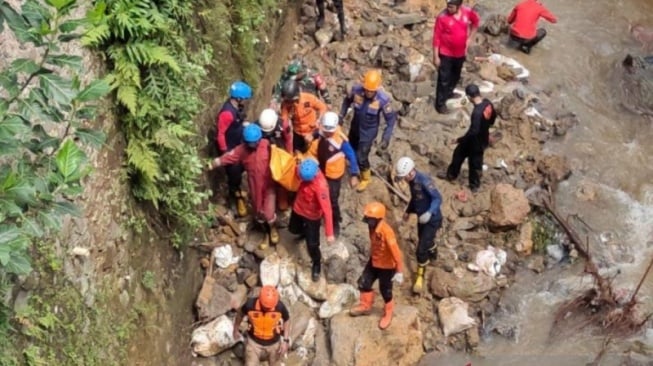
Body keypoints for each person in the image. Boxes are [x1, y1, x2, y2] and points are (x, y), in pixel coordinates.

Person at [210, 124, 279, 249]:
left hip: (269, 184)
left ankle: (273, 228)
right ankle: (265, 234)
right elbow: (229, 156)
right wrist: (215, 163)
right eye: (249, 143)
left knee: (269, 212)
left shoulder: (267, 145)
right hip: (254, 184)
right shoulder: (242, 149)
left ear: (259, 140)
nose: (251, 145)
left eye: (253, 142)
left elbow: (279, 158)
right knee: (258, 211)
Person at [339, 69, 396, 192]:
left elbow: (391, 121)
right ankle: (353, 170)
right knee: (350, 148)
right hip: (355, 127)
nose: (369, 93)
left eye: (372, 91)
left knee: (362, 157)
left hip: (368, 133)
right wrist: (341, 116)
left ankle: (365, 178)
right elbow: (346, 102)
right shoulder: (357, 90)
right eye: (367, 90)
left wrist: (385, 138)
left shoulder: (383, 100)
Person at [349, 202, 404, 330]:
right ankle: (365, 305)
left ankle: (389, 312)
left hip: (387, 265)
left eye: (370, 219)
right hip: (374, 261)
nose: (367, 221)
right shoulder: (372, 228)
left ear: (378, 219)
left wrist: (399, 270)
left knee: (385, 290)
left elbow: (396, 252)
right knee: (364, 282)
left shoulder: (386, 232)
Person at [307, 111, 360, 237]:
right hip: (321, 169)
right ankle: (320, 214)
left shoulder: (340, 140)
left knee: (332, 199)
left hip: (334, 175)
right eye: (325, 130)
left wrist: (354, 174)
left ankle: (335, 222)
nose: (327, 133)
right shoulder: (323, 130)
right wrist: (311, 136)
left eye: (329, 131)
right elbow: (317, 133)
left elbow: (352, 156)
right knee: (317, 193)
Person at [394, 157, 443, 294]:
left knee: (420, 250)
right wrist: (409, 211)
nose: (403, 179)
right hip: (422, 218)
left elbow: (437, 198)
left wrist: (429, 212)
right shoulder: (411, 182)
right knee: (425, 239)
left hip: (432, 219)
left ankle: (420, 276)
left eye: (404, 177)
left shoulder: (424, 181)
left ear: (410, 172)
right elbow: (416, 198)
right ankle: (433, 252)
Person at [438, 84, 496, 192]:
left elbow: (473, 132)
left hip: (474, 141)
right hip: (483, 139)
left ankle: (466, 181)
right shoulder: (488, 104)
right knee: (466, 158)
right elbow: (493, 117)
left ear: (469, 97)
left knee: (470, 161)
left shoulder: (477, 113)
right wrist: (487, 128)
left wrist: (459, 140)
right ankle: (469, 183)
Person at [289, 158, 335, 282]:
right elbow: (295, 170)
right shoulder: (302, 169)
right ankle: (303, 233)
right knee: (293, 229)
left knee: (312, 245)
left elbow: (327, 210)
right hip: (299, 208)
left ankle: (316, 264)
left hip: (312, 216)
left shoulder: (321, 187)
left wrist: (329, 233)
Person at [432, 0, 480, 114]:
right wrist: (435, 56)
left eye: (451, 7)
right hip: (445, 53)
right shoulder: (442, 17)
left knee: (456, 75)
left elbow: (476, 22)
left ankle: (449, 92)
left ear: (459, 6)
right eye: (448, 6)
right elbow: (436, 37)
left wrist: (470, 39)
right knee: (443, 79)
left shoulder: (467, 12)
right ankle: (440, 104)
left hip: (460, 53)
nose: (448, 9)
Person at [216, 81, 253, 217]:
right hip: (231, 147)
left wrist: (244, 125)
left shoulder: (237, 108)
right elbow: (220, 134)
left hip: (238, 142)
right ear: (238, 98)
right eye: (244, 98)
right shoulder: (227, 113)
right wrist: (226, 153)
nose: (246, 101)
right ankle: (235, 196)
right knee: (234, 174)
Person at [232, 286, 290, 366]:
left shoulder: (279, 307)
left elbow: (287, 320)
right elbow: (240, 314)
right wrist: (235, 329)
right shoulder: (250, 305)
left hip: (274, 344)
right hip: (253, 343)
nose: (268, 309)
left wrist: (285, 341)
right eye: (265, 307)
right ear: (260, 300)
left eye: (270, 308)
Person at [257, 108, 293, 214]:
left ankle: (282, 198)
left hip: (280, 153)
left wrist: (289, 154)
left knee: (281, 177)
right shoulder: (259, 125)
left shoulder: (283, 125)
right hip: (266, 153)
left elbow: (288, 139)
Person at [280, 80, 328, 154]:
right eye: (287, 101)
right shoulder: (286, 105)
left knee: (315, 152)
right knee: (297, 154)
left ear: (296, 97)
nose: (288, 103)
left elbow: (323, 108)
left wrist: (318, 121)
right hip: (297, 133)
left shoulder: (308, 98)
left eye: (290, 101)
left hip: (312, 131)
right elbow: (284, 120)